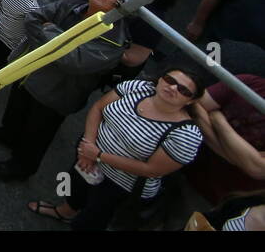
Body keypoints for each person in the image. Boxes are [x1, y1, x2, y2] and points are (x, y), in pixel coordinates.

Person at [0, 0, 132, 181]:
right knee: (17, 108)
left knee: (37, 132)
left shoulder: (115, 40)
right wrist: (55, 45)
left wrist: (49, 30)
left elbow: (73, 62)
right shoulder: (76, 2)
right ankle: (7, 135)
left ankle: (20, 168)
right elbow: (33, 18)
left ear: (120, 3)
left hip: (57, 93)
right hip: (31, 71)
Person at [29, 67, 206, 230]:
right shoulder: (138, 87)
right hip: (88, 156)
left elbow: (151, 170)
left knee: (92, 220)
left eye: (183, 90)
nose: (173, 88)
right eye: (170, 80)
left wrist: (98, 155)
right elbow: (98, 108)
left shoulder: (186, 135)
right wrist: (88, 147)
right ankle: (65, 212)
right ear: (160, 79)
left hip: (119, 185)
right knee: (76, 188)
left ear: (191, 100)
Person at [186, 72, 265, 207]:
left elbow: (258, 168)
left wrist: (218, 121)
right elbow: (196, 104)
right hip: (182, 163)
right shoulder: (251, 83)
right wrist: (236, 158)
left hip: (218, 199)